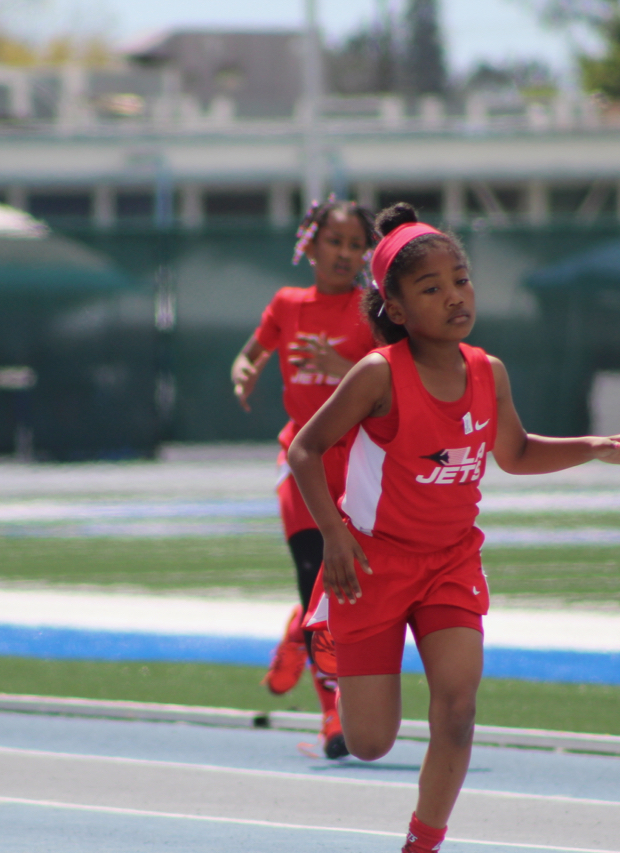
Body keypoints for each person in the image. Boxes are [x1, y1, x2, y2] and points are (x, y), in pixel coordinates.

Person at [288, 202, 620, 853]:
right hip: (372, 564)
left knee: (458, 711)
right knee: (370, 742)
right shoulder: (379, 374)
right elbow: (305, 450)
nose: (455, 296)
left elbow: (514, 453)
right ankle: (323, 627)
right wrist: (335, 537)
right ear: (396, 308)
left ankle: (422, 844)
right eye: (431, 288)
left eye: (460, 280)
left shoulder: (489, 372)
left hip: (450, 562)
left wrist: (596, 446)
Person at [230, 197, 378, 759]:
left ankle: (298, 630)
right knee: (316, 575)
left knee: (353, 586)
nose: (344, 253)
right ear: (310, 245)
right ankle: (332, 717)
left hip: (357, 466)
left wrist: (342, 370)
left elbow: (395, 380)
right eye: (334, 241)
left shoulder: (372, 311)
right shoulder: (287, 304)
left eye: (355, 245)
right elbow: (249, 354)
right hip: (300, 460)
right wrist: (244, 372)